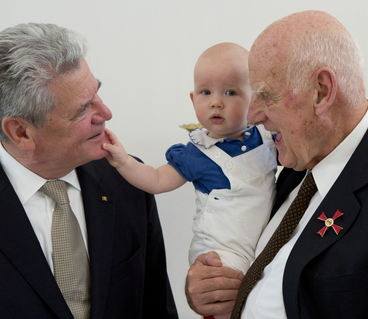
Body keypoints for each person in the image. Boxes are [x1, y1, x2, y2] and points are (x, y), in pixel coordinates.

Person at [0, 23, 178, 319]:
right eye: (82, 109)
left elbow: (156, 307)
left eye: (97, 94)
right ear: (21, 132)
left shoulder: (128, 180)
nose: (105, 114)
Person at [185, 10, 368, 319]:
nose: (252, 116)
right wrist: (212, 288)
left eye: (265, 95)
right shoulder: (294, 163)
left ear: (321, 91)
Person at [103, 42, 277, 319]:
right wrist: (124, 162)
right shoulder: (197, 154)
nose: (216, 102)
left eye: (230, 92)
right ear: (192, 98)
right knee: (228, 302)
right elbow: (158, 180)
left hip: (262, 245)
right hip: (222, 251)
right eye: (205, 92)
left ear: (255, 100)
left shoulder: (267, 138)